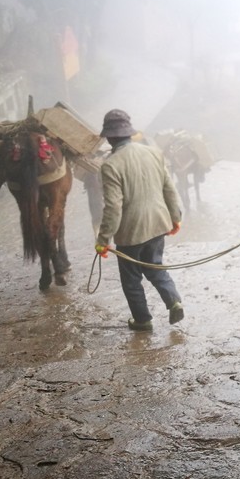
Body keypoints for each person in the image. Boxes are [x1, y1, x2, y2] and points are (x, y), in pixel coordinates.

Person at [94, 109, 185, 331]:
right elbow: (169, 188)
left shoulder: (110, 165)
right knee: (155, 266)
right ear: (129, 133)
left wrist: (103, 240)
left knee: (131, 279)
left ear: (109, 137)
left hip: (130, 233)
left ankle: (142, 320)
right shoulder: (154, 152)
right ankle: (174, 301)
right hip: (158, 223)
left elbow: (113, 207)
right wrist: (176, 218)